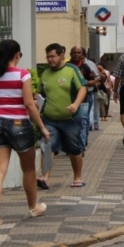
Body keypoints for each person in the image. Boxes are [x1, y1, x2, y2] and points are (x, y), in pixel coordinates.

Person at [0, 40, 50, 225]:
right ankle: (33, 208)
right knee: (29, 168)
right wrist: (42, 127)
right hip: (19, 123)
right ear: (16, 55)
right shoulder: (23, 74)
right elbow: (29, 104)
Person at [37, 43, 87, 188]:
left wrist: (75, 104)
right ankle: (45, 178)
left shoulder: (72, 70)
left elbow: (82, 88)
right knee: (48, 146)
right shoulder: (45, 73)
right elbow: (40, 91)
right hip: (50, 119)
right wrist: (35, 99)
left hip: (71, 119)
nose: (50, 60)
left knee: (74, 149)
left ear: (61, 56)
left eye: (53, 56)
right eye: (48, 57)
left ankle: (78, 177)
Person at [69, 47, 99, 147]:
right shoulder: (66, 67)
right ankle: (72, 143)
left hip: (85, 99)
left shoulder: (86, 67)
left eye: (79, 53)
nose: (76, 54)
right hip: (69, 99)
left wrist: (85, 83)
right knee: (70, 121)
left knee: (83, 121)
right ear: (70, 54)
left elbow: (94, 80)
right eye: (74, 52)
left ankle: (82, 143)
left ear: (82, 55)